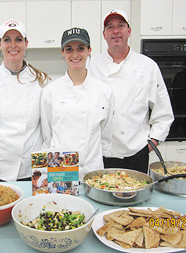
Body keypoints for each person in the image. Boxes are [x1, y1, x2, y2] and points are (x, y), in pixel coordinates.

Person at [88, 9, 174, 174]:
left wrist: (151, 143)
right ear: (104, 34)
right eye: (110, 27)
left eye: (121, 25)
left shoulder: (147, 66)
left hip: (136, 153)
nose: (116, 31)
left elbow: (163, 112)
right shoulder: (91, 66)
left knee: (136, 198)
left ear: (129, 31)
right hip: (99, 154)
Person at [0, 19, 50, 182]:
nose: (13, 45)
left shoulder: (42, 81)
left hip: (33, 169)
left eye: (18, 39)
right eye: (7, 40)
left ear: (26, 43)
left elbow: (48, 126)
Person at [41, 27, 114, 179]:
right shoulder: (50, 91)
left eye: (80, 48)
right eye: (69, 49)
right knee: (58, 203)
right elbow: (47, 136)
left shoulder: (104, 91)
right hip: (60, 169)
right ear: (62, 52)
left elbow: (106, 135)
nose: (75, 55)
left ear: (89, 50)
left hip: (92, 169)